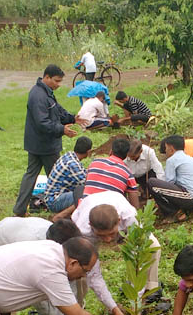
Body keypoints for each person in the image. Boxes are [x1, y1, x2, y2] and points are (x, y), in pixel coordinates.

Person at [71, 191, 163, 315]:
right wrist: (114, 309)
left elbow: (139, 262)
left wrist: (135, 305)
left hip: (121, 217)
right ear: (91, 226)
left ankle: (146, 299)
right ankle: (76, 311)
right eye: (102, 235)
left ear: (119, 222)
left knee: (152, 246)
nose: (108, 240)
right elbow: (94, 276)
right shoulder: (83, 229)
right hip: (86, 217)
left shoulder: (130, 217)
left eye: (111, 234)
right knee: (80, 269)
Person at [14, 65, 87, 217]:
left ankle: (19, 210)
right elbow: (42, 122)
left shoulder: (46, 92)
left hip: (37, 143)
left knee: (32, 175)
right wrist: (62, 130)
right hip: (44, 145)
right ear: (46, 77)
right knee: (57, 176)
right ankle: (61, 208)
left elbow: (57, 110)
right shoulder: (38, 96)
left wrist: (72, 118)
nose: (58, 85)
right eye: (56, 81)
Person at [149, 135, 193, 221]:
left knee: (152, 183)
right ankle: (192, 209)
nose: (165, 151)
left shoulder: (172, 160)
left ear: (171, 149)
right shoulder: (190, 158)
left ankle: (174, 213)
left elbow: (169, 183)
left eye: (166, 148)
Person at [42, 136, 92, 216]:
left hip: (52, 196)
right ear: (88, 151)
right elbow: (88, 183)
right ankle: (61, 216)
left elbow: (83, 173)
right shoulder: (73, 164)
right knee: (87, 195)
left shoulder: (69, 155)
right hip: (54, 201)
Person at [83, 138, 140, 208]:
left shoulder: (95, 162)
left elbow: (86, 183)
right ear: (126, 155)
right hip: (109, 215)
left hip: (85, 209)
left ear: (111, 151)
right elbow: (135, 206)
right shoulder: (127, 173)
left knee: (79, 190)